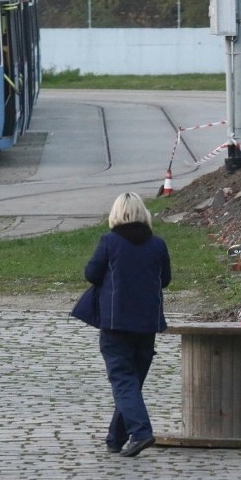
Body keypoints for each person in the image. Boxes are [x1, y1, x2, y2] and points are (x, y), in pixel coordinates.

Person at [83, 192, 171, 457]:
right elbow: (165, 279)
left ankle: (141, 432)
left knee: (123, 381)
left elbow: (91, 273)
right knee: (132, 381)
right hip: (147, 323)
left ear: (116, 214)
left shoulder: (110, 242)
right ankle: (115, 438)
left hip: (115, 322)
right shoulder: (158, 244)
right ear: (144, 213)